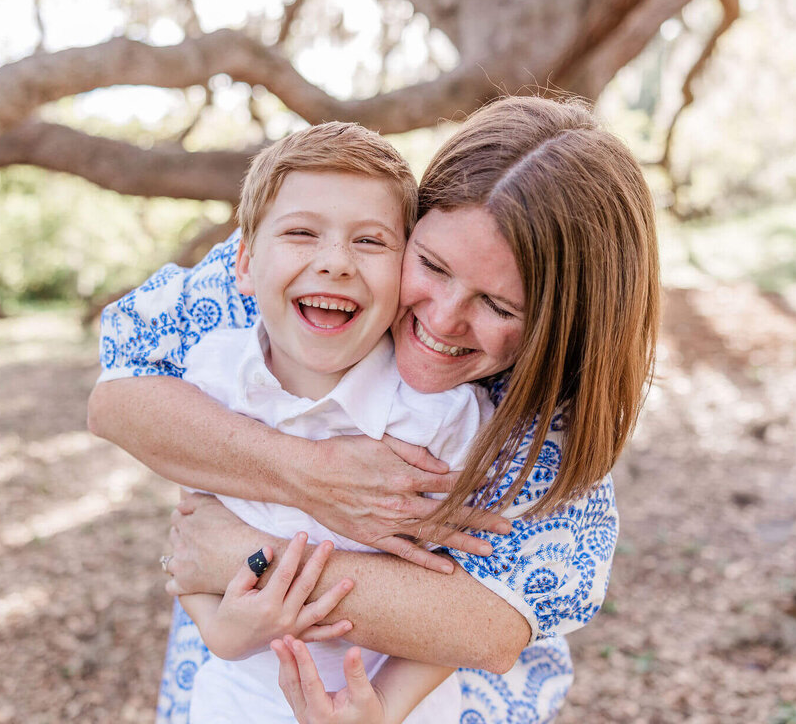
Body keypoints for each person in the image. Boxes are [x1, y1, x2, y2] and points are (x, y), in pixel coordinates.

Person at [88, 95, 661, 723]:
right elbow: (119, 398)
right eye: (432, 265)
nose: (442, 320)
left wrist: (245, 555)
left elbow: (486, 628)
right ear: (414, 223)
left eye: (500, 307)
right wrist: (309, 474)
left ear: (564, 326)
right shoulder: (306, 258)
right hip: (235, 688)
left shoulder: (529, 411)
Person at [172, 121, 487, 723]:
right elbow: (190, 533)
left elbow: (471, 596)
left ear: (406, 272)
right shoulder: (211, 376)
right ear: (243, 263)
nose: (336, 263)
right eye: (300, 233)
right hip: (237, 703)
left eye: (370, 242)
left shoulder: (440, 414)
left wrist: (382, 709)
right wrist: (222, 630)